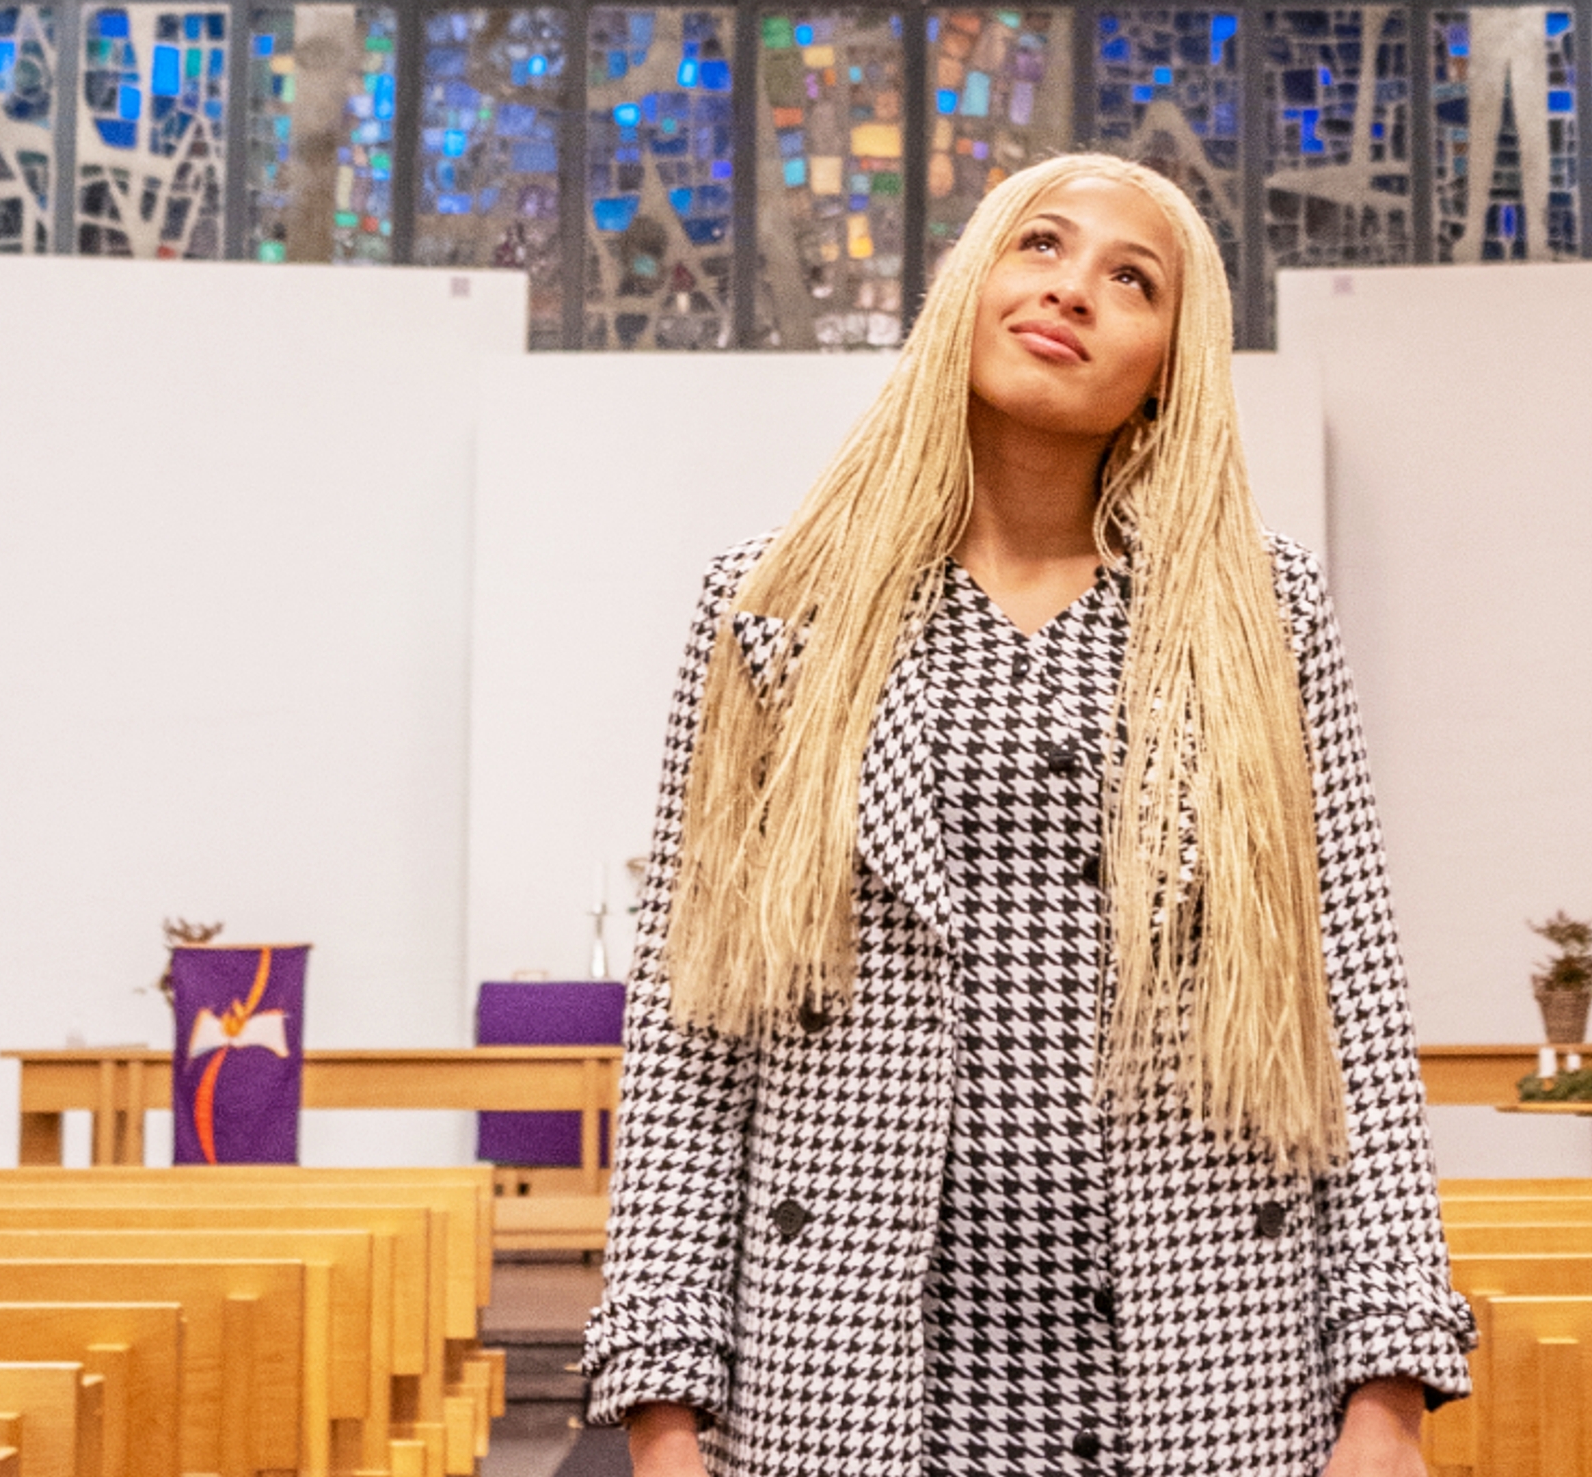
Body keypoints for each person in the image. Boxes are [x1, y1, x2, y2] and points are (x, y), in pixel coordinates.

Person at [583, 153, 1470, 1477]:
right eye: (1040, 246)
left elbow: (1350, 999)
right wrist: (662, 1411)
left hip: (1202, 1347)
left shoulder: (1258, 613)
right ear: (969, 286)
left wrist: (1387, 1394)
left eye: (1133, 279)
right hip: (845, 1361)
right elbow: (688, 1031)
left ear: (1169, 366)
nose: (1073, 289)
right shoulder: (776, 606)